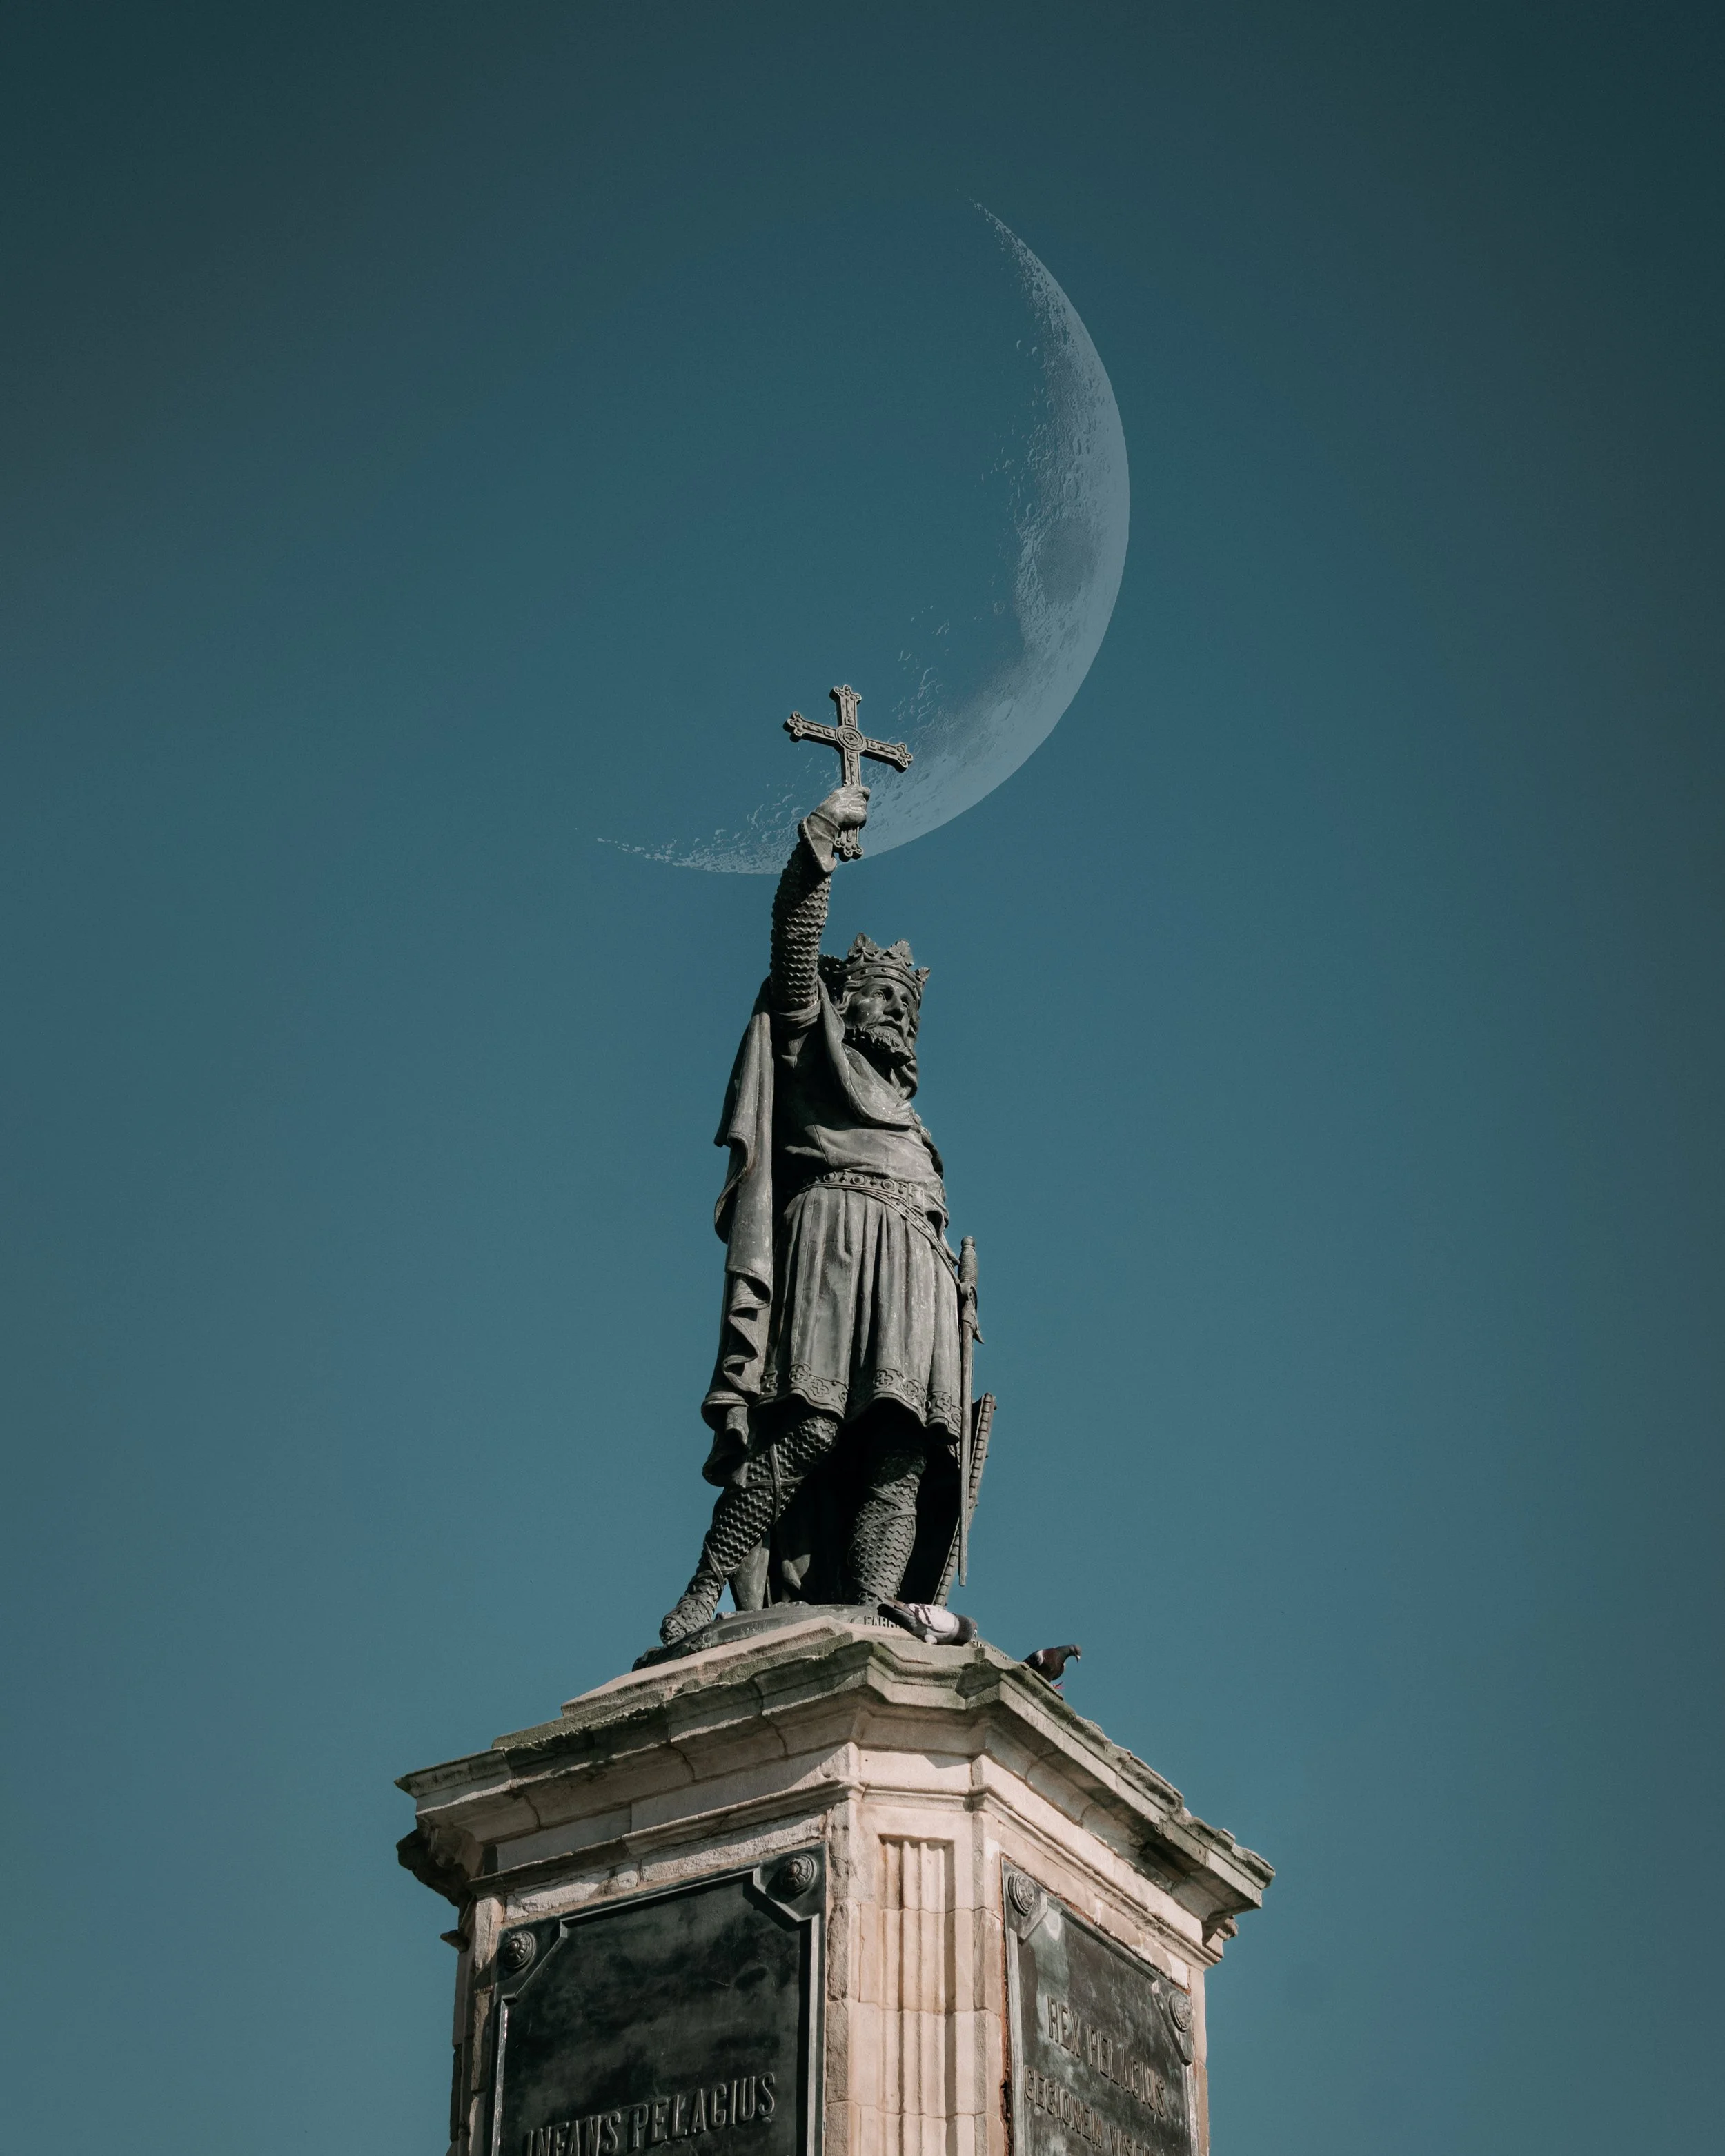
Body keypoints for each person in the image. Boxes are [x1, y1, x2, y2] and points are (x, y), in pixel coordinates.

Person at [658, 782, 965, 1645]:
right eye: (882, 997)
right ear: (844, 1001)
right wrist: (822, 840)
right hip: (834, 1241)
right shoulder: (809, 1036)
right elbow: (795, 942)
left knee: (901, 1452)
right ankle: (705, 1586)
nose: (899, 1012)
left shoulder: (915, 1121)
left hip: (915, 1267)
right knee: (809, 1425)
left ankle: (874, 1612)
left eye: (909, 1005)